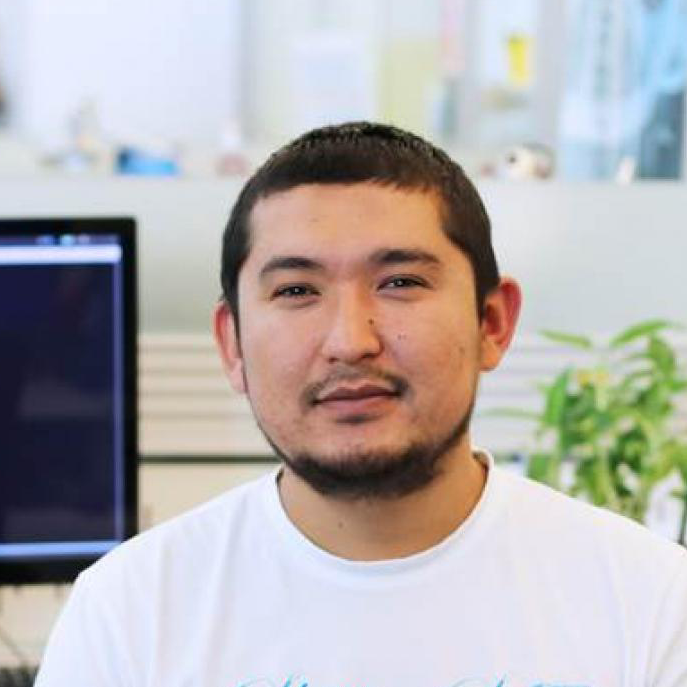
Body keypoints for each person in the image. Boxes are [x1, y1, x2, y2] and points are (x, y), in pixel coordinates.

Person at [36, 122, 687, 687]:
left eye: (400, 282)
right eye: (296, 290)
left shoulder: (650, 603)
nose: (350, 340)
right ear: (232, 344)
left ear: (491, 321)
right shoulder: (131, 612)